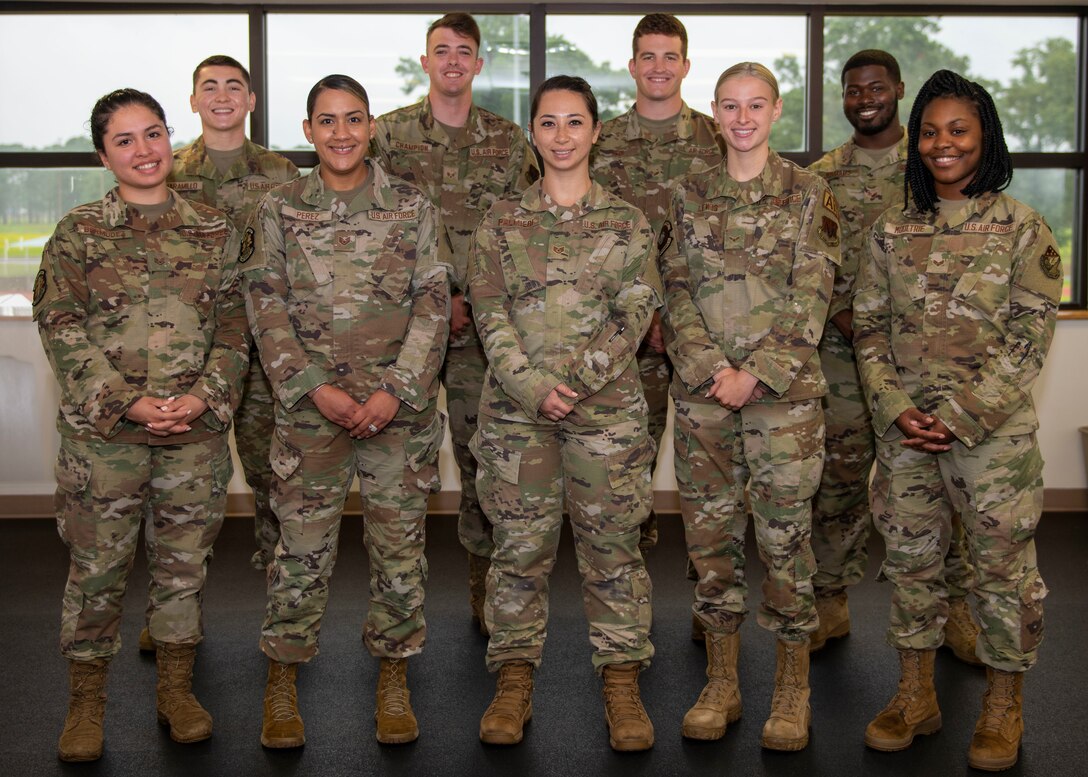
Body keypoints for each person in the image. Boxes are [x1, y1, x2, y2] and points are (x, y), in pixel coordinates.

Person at [855, 69, 1061, 772]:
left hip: (992, 443)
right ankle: (916, 693)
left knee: (1002, 576)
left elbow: (1030, 337)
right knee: (913, 567)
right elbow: (868, 328)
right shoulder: (891, 228)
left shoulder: (1022, 229)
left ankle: (1004, 704)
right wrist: (896, 408)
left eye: (959, 130)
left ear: (985, 137)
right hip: (907, 433)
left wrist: (966, 414)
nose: (943, 143)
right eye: (931, 131)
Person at [34, 88, 248, 762]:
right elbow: (60, 325)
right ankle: (86, 701)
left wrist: (205, 395)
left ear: (168, 137)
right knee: (97, 570)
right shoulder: (78, 232)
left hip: (194, 434)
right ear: (104, 155)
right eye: (125, 140)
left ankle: (176, 690)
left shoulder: (215, 229)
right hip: (106, 440)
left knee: (183, 569)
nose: (143, 150)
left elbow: (238, 326)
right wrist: (122, 399)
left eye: (152, 134)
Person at [243, 75, 449, 749]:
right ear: (307, 131)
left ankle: (393, 672)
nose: (341, 133)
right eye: (326, 121)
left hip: (399, 414)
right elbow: (264, 304)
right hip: (311, 413)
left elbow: (433, 303)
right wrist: (311, 386)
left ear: (371, 128)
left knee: (398, 553)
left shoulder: (411, 205)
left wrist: (395, 388)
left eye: (353, 119)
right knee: (299, 553)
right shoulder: (279, 208)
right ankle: (283, 676)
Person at [469, 75, 661, 752]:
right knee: (519, 551)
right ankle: (514, 679)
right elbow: (489, 314)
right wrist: (531, 388)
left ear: (596, 130)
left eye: (574, 121)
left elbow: (634, 313)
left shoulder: (628, 222)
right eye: (547, 123)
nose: (561, 135)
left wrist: (576, 384)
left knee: (613, 551)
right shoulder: (500, 221)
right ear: (532, 135)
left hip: (604, 417)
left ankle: (621, 682)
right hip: (518, 419)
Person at [660, 62, 840, 750]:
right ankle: (723, 681)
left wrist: (756, 373)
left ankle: (792, 688)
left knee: (786, 545)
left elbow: (813, 294)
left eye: (755, 105)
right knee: (710, 545)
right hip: (705, 398)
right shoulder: (686, 193)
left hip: (783, 404)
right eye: (730, 106)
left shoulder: (808, 192)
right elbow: (674, 288)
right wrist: (712, 369)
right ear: (713, 111)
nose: (742, 118)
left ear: (776, 110)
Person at [807, 51, 980, 663]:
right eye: (854, 90)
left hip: (924, 360)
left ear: (899, 90)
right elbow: (814, 269)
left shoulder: (932, 165)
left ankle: (955, 604)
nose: (865, 99)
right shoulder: (823, 177)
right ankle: (830, 597)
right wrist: (857, 325)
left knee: (940, 479)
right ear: (844, 97)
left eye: (877, 88)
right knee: (839, 479)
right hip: (842, 353)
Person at [371, 12, 540, 636]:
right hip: (403, 331)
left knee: (482, 459)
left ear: (478, 62)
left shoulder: (510, 140)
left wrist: (477, 301)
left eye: (462, 51)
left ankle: (482, 588)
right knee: (398, 467)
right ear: (424, 62)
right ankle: (397, 600)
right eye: (440, 51)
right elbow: (374, 229)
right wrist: (434, 301)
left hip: (478, 332)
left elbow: (522, 230)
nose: (451, 61)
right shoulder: (385, 136)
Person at [590, 13, 724, 554]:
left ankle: (710, 604)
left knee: (708, 471)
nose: (659, 67)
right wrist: (642, 318)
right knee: (626, 465)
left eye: (670, 56)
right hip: (627, 335)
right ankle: (630, 590)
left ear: (686, 65)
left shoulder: (718, 137)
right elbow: (593, 236)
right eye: (648, 56)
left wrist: (679, 319)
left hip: (705, 330)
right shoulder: (604, 142)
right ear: (632, 66)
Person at [169, 54, 300, 571]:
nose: (221, 96)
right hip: (190, 355)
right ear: (194, 100)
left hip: (265, 353)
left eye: (233, 87)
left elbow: (300, 259)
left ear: (250, 101)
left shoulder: (281, 173)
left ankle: (282, 611)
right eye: (209, 86)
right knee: (184, 492)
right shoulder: (169, 171)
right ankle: (175, 618)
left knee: (275, 482)